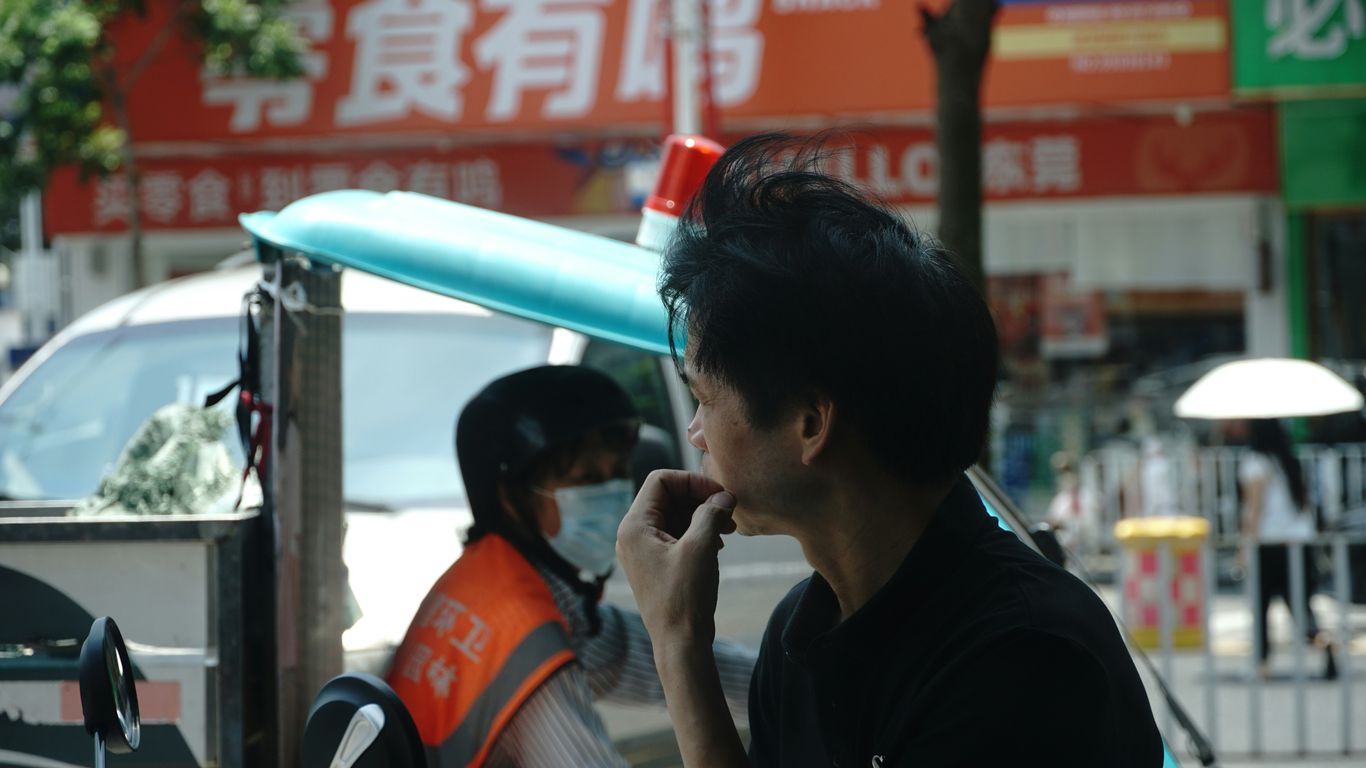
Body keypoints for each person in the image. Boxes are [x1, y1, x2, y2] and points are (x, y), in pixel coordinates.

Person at [615, 134, 1164, 767]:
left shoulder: (1020, 652)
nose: (696, 434)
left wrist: (679, 644)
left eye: (705, 399)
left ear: (811, 423)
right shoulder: (802, 627)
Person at [386, 365, 754, 767]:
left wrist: (800, 689)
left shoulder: (494, 586)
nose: (610, 492)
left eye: (616, 473)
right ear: (513, 498)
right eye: (585, 478)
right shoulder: (523, 639)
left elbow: (645, 657)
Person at [1233, 417, 1338, 680]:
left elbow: (1253, 510)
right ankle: (1325, 643)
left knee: (1261, 605)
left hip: (1268, 544)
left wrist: (1243, 548)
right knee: (1300, 607)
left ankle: (1263, 665)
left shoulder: (1254, 462)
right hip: (1298, 544)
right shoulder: (1289, 461)